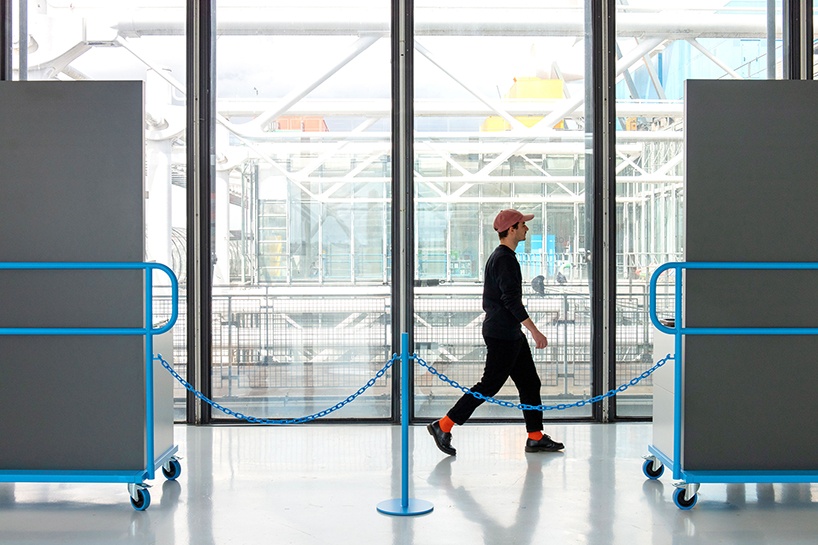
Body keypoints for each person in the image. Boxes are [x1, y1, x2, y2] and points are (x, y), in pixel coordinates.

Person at [428, 209, 565, 456]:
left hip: (510, 333)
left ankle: (535, 437)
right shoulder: (504, 259)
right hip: (502, 334)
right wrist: (535, 331)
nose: (527, 229)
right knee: (489, 385)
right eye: (523, 225)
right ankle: (443, 425)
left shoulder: (503, 257)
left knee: (530, 383)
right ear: (511, 229)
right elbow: (511, 301)